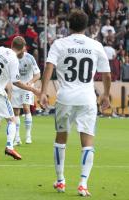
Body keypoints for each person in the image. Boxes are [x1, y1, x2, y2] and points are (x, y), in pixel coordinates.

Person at [40, 10, 111, 197]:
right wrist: (106, 95)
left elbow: (49, 66)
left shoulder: (59, 44)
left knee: (61, 138)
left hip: (65, 98)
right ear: (86, 26)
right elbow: (107, 74)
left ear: (68, 24)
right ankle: (83, 184)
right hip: (87, 98)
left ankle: (61, 180)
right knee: (87, 142)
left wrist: (43, 91)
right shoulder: (95, 45)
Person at [10, 50, 40, 145]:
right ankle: (17, 138)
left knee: (26, 107)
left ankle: (28, 136)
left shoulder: (30, 58)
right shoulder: (12, 58)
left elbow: (38, 74)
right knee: (16, 111)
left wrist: (31, 82)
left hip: (27, 86)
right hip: (16, 86)